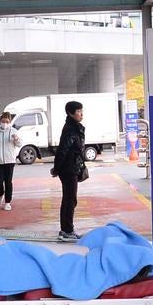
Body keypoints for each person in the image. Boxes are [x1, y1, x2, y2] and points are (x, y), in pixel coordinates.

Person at [50, 100, 86, 242]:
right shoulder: (71, 129)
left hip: (71, 167)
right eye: (78, 111)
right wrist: (57, 169)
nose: (81, 114)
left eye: (81, 111)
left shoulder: (74, 127)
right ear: (70, 113)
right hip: (68, 169)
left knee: (70, 199)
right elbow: (63, 149)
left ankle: (67, 229)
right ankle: (66, 231)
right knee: (70, 200)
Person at [0, 112, 22, 211]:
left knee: (8, 182)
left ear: (10, 122)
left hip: (10, 161)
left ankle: (8, 202)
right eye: (3, 121)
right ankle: (1, 194)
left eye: (7, 122)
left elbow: (19, 144)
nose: (5, 123)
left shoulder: (14, 131)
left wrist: (16, 139)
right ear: (0, 121)